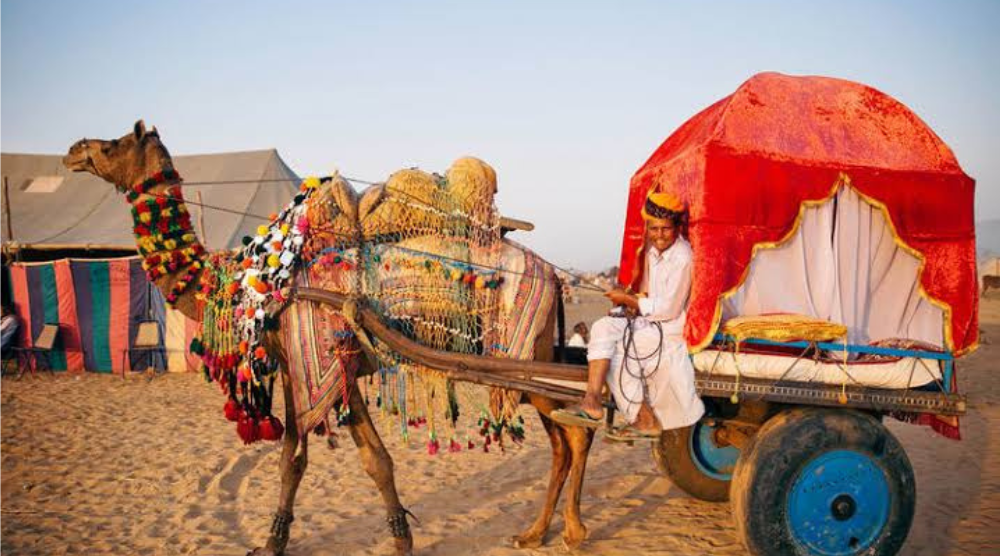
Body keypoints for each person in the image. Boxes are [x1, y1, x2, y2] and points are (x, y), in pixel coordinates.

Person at [552, 190, 704, 440]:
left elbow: (670, 308)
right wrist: (630, 301)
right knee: (602, 326)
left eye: (665, 229)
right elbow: (651, 295)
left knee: (616, 351)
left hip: (669, 331)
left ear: (677, 227)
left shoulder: (683, 257)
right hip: (650, 323)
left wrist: (630, 300)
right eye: (654, 229)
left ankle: (644, 419)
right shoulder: (654, 253)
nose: (659, 235)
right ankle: (591, 400)